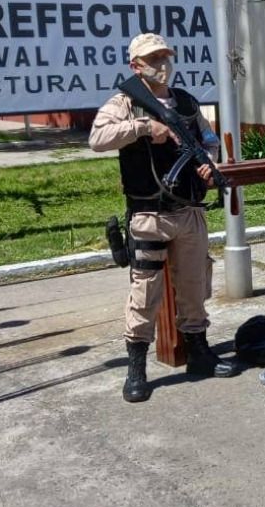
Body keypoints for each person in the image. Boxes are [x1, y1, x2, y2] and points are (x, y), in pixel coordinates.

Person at [89, 32, 240, 403]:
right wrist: (144, 127)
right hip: (149, 213)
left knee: (194, 285)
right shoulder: (125, 103)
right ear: (134, 66)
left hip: (188, 211)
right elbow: (97, 137)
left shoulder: (186, 102)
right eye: (152, 59)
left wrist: (208, 163)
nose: (161, 65)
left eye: (164, 57)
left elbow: (208, 139)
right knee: (145, 293)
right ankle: (137, 366)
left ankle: (199, 352)